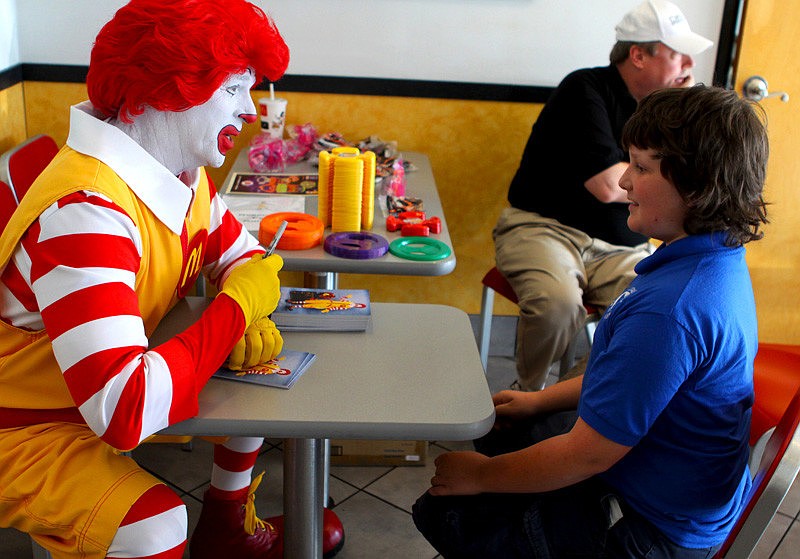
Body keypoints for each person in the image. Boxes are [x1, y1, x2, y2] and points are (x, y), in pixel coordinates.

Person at [0, 1, 343, 558]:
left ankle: (227, 525)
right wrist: (235, 312)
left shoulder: (179, 175)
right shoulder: (85, 209)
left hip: (89, 398)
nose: (251, 110)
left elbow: (248, 258)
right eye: (234, 89)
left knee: (254, 381)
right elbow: (124, 408)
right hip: (25, 427)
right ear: (168, 85)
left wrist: (247, 313)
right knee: (154, 526)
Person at [413, 84, 769, 557]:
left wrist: (480, 478)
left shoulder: (672, 310)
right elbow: (633, 379)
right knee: (512, 427)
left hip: (658, 529)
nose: (624, 183)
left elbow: (589, 454)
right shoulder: (709, 260)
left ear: (698, 186)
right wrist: (539, 401)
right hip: (661, 481)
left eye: (641, 168)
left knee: (446, 511)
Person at [494, 0, 713, 390]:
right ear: (638, 55)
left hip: (620, 246)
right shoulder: (584, 88)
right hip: (545, 229)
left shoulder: (671, 112)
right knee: (556, 306)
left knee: (653, 314)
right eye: (677, 54)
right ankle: (525, 397)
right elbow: (611, 186)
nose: (688, 66)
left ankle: (572, 401)